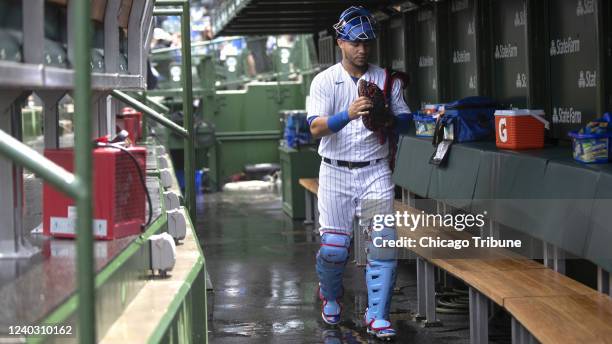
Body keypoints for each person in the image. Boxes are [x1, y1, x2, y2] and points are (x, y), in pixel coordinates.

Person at [307, 6, 412, 340]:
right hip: (335, 171)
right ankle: (332, 295)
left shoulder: (385, 79)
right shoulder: (324, 81)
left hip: (375, 170)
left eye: (367, 42)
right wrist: (348, 114)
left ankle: (377, 314)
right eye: (355, 42)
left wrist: (388, 116)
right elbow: (315, 128)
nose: (362, 49)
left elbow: (407, 121)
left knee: (382, 244)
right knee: (336, 248)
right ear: (341, 42)